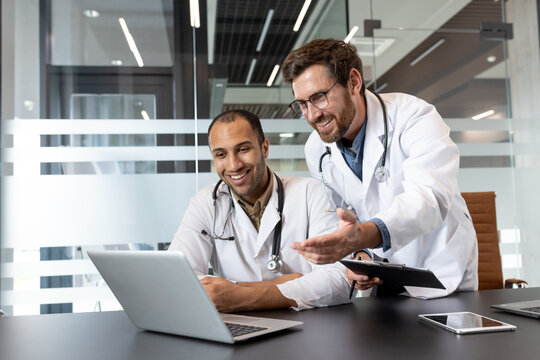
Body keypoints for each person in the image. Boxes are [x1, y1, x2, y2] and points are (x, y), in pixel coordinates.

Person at [281, 38, 478, 298]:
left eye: (318, 98)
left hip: (441, 271)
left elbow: (430, 198)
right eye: (302, 104)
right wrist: (359, 256)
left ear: (353, 82)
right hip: (383, 278)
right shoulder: (316, 149)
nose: (311, 115)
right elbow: (344, 220)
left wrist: (364, 236)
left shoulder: (414, 116)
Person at [168, 109, 350, 312]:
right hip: (238, 332)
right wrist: (285, 285)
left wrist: (240, 295)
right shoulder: (205, 203)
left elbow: (340, 278)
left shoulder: (311, 193)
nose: (233, 165)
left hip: (307, 328)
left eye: (243, 149)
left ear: (264, 148)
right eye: (221, 154)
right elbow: (177, 280)